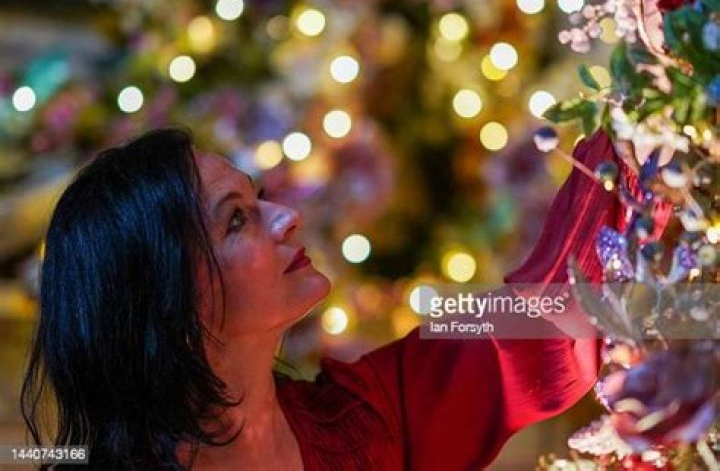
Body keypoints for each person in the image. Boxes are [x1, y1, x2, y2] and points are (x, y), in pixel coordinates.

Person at [21, 127, 641, 470]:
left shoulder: (365, 418)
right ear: (170, 303)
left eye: (258, 197)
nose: (287, 217)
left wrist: (641, 123)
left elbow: (538, 319)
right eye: (237, 219)